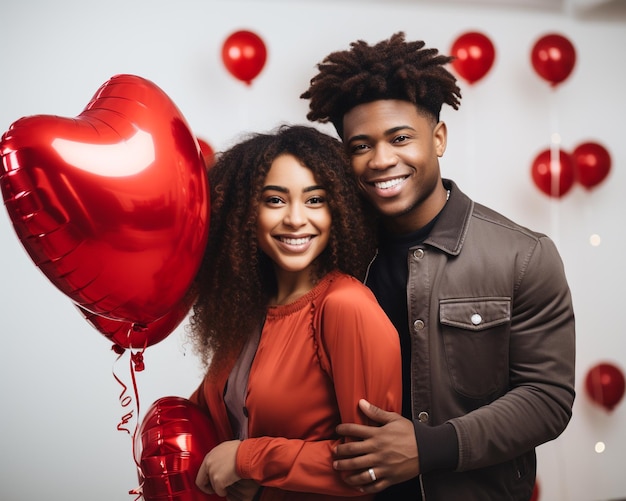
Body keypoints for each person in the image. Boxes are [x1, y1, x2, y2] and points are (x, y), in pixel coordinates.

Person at [300, 32, 576, 500]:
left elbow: (547, 400)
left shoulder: (523, 255)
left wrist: (429, 448)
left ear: (439, 137)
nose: (381, 160)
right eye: (360, 146)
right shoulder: (329, 256)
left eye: (400, 138)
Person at [187, 124, 402, 501]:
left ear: (339, 210)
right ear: (244, 212)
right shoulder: (246, 308)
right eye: (275, 200)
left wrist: (248, 458)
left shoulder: (345, 307)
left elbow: (369, 468)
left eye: (315, 200)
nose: (296, 219)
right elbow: (215, 420)